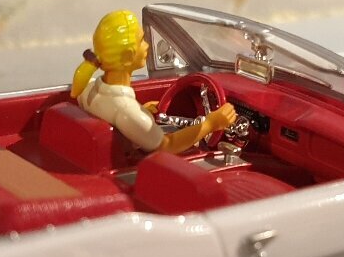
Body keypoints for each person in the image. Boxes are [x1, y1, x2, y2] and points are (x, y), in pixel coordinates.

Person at [70, 10, 237, 154]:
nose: (147, 45)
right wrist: (210, 123)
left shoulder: (88, 88)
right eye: (142, 40)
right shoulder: (127, 111)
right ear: (128, 56)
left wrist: (143, 111)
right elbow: (167, 146)